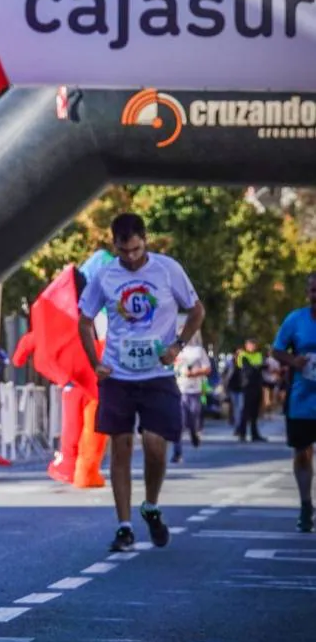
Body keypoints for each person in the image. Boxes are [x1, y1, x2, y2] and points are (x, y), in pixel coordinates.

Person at [78, 213, 204, 553]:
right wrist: (95, 361)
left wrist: (177, 346)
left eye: (135, 250)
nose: (131, 258)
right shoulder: (105, 274)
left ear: (145, 240)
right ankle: (123, 526)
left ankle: (150, 504)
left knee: (154, 445)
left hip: (157, 374)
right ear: (114, 245)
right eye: (123, 251)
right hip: (118, 374)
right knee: (120, 446)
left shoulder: (167, 270)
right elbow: (85, 319)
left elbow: (196, 310)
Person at [271, 272, 316, 533]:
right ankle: (305, 504)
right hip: (301, 400)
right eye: (313, 290)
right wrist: (293, 361)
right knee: (302, 454)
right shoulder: (295, 320)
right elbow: (276, 350)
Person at [172, 334, 211, 464]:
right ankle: (177, 453)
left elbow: (207, 369)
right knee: (178, 423)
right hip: (179, 390)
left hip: (195, 390)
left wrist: (194, 373)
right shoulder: (174, 349)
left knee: (193, 417)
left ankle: (194, 433)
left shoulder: (198, 351)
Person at [233, 338, 267, 441]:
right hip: (247, 386)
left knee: (255, 412)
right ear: (246, 345)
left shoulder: (258, 355)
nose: (252, 347)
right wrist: (256, 367)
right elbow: (246, 368)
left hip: (257, 385)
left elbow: (261, 366)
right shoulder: (243, 355)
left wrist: (257, 367)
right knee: (245, 411)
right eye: (250, 345)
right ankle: (242, 433)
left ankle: (254, 434)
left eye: (254, 345)